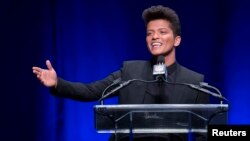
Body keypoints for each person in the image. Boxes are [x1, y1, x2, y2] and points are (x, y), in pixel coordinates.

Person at [32, 5, 209, 141]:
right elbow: (91, 91)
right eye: (150, 33)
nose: (154, 37)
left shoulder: (193, 81)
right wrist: (57, 83)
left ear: (177, 40)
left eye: (162, 32)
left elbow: (204, 134)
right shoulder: (130, 72)